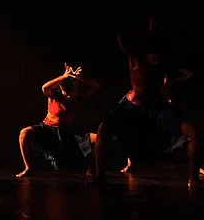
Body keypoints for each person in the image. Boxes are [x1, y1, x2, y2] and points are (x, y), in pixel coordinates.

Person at [89, 28, 202, 188]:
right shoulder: (136, 61)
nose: (157, 58)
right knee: (103, 129)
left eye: (158, 55)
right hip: (132, 107)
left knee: (193, 131)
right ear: (147, 54)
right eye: (153, 54)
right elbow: (124, 43)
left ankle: (193, 179)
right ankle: (100, 175)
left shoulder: (163, 67)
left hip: (158, 108)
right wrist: (148, 31)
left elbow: (188, 74)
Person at [16, 64, 100, 178]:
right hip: (48, 130)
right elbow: (44, 88)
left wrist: (79, 79)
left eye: (72, 92)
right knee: (24, 133)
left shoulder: (78, 95)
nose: (69, 96)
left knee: (99, 139)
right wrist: (64, 76)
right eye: (67, 92)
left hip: (69, 132)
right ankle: (28, 168)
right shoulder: (54, 95)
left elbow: (96, 86)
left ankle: (93, 169)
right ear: (61, 88)